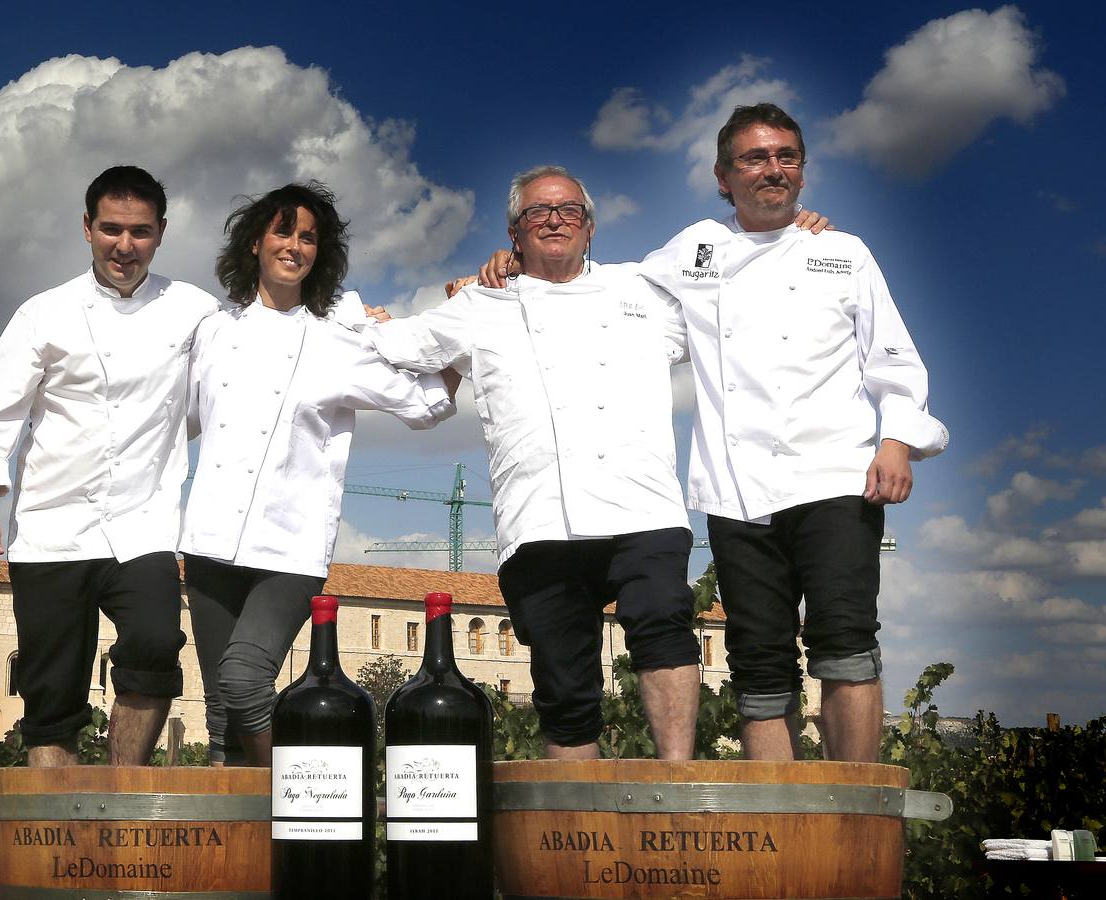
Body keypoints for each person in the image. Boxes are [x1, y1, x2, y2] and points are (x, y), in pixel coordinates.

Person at [637, 104, 947, 761]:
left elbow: (893, 358)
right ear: (723, 176)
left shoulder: (842, 253)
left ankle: (855, 806)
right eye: (755, 158)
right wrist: (515, 269)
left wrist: (896, 441)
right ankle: (775, 813)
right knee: (759, 662)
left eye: (786, 156)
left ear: (802, 171)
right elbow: (608, 296)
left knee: (846, 643)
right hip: (736, 489)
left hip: (837, 476)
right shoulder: (694, 249)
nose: (772, 169)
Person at [367, 165, 702, 761]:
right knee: (564, 684)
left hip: (643, 505)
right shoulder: (480, 303)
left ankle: (678, 780)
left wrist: (793, 234)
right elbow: (398, 345)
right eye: (537, 212)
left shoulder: (641, 291)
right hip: (540, 516)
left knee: (664, 628)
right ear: (514, 233)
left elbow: (729, 306)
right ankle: (571, 816)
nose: (554, 220)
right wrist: (354, 318)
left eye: (569, 210)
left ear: (590, 228)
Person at [182, 182, 453, 766]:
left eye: (308, 238)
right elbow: (180, 421)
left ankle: (299, 801)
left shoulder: (336, 340)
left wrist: (457, 337)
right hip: (208, 541)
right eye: (283, 232)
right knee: (221, 713)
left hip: (290, 547)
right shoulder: (213, 330)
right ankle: (237, 824)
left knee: (244, 681)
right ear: (255, 242)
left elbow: (424, 403)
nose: (295, 246)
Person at [0, 165, 218, 767]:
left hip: (143, 524)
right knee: (50, 695)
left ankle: (123, 790)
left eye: (140, 232)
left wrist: (355, 322)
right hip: (51, 527)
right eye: (111, 230)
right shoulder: (42, 314)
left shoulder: (196, 310)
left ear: (161, 233)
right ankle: (58, 820)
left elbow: (243, 369)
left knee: (155, 644)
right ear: (86, 228)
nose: (124, 246)